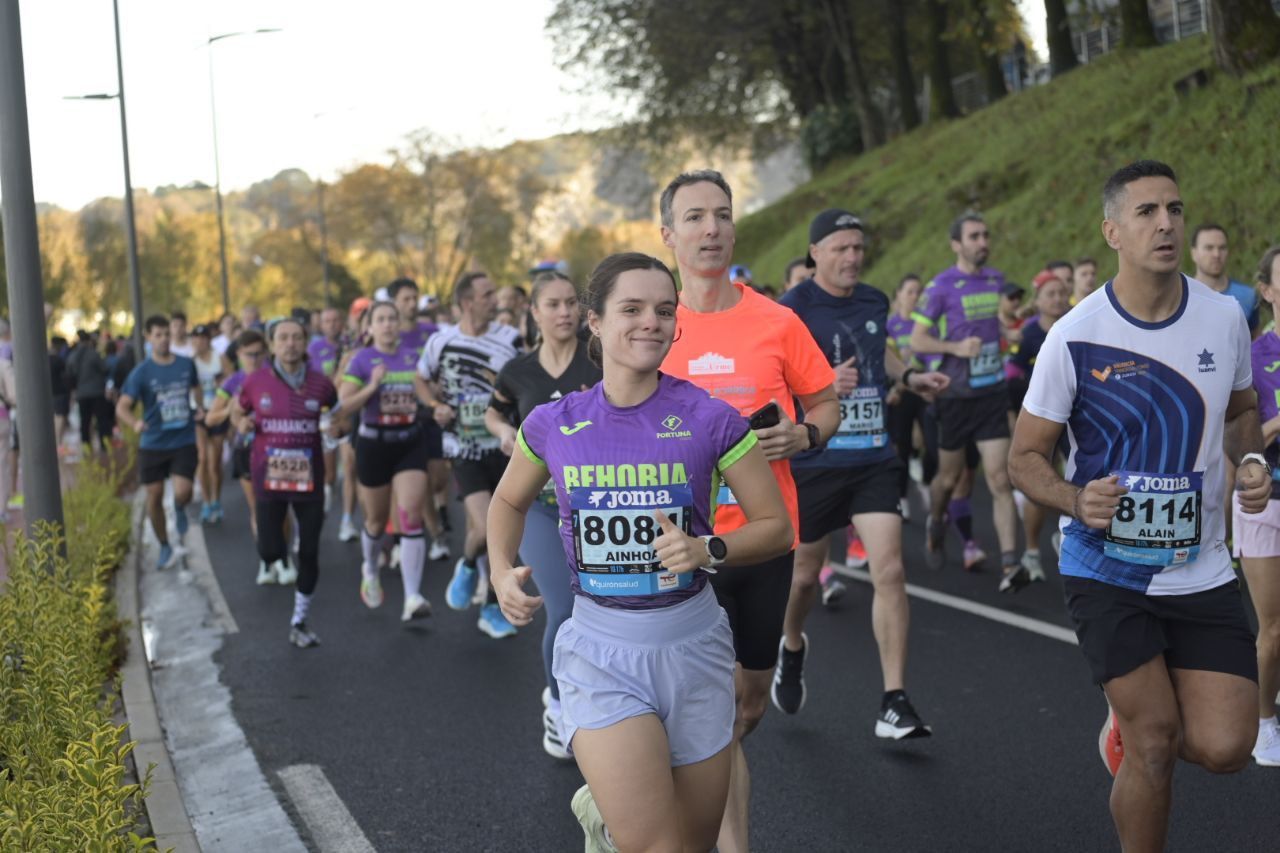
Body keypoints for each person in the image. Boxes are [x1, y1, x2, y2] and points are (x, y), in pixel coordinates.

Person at [487, 252, 792, 853]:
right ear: (594, 321)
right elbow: (506, 503)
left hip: (695, 647)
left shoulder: (711, 419)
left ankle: (609, 819)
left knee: (693, 843)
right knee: (657, 846)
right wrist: (501, 570)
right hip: (602, 650)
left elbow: (775, 526)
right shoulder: (555, 423)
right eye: (631, 309)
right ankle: (619, 821)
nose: (650, 322)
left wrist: (707, 548)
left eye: (663, 310)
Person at [1009, 160, 1264, 852]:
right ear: (1112, 231)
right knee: (1156, 742)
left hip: (1202, 565)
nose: (1166, 223)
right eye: (1148, 211)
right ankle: (1137, 729)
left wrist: (1252, 460)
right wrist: (1072, 496)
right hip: (1106, 565)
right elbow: (1024, 456)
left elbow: (1243, 411)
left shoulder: (1224, 318)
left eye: (1175, 209)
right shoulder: (1074, 336)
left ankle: (1124, 724)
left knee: (1226, 746)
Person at [657, 169, 839, 853]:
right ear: (669, 234)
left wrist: (806, 434)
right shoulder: (653, 323)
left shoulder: (777, 321)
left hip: (763, 542)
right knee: (707, 715)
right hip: (679, 548)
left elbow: (826, 402)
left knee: (744, 707)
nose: (711, 228)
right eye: (695, 217)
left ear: (734, 229)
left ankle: (683, 793)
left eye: (722, 215)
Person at [774, 209, 949, 739]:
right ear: (816, 253)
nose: (853, 256)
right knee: (804, 577)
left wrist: (912, 376)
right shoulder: (790, 311)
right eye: (841, 247)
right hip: (816, 458)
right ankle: (791, 643)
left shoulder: (874, 300)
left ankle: (893, 701)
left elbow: (884, 352)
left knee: (890, 571)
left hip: (873, 455)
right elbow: (775, 379)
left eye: (858, 247)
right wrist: (822, 385)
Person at [484, 269, 603, 760]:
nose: (564, 313)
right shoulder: (518, 371)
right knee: (565, 608)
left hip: (595, 505)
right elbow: (495, 411)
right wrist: (502, 433)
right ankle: (558, 705)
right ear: (533, 312)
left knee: (601, 608)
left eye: (571, 303)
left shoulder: (599, 363)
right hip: (539, 505)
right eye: (552, 304)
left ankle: (599, 699)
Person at [910, 212, 1025, 592]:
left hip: (991, 392)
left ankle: (1011, 563)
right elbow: (918, 341)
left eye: (985, 235)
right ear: (956, 244)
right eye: (974, 236)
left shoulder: (995, 281)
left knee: (999, 478)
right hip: (956, 398)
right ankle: (937, 520)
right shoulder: (940, 286)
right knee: (949, 478)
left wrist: (1009, 329)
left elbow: (996, 325)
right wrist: (955, 347)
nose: (983, 242)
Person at [417, 272, 523, 638]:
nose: (496, 299)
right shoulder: (441, 341)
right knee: (484, 526)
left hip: (506, 447)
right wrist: (434, 404)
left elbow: (526, 383)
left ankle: (479, 587)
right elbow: (420, 377)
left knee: (502, 533)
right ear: (466, 302)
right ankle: (478, 586)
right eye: (487, 294)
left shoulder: (511, 339)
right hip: (464, 448)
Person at [235, 318, 338, 648]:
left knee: (308, 552)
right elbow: (236, 413)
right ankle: (275, 556)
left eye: (296, 337)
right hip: (269, 480)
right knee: (270, 549)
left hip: (309, 482)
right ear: (272, 344)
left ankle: (300, 619)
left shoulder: (322, 384)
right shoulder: (255, 382)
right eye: (283, 338)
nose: (290, 343)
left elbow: (338, 417)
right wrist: (243, 423)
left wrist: (337, 429)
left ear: (305, 342)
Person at [339, 302, 434, 623]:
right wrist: (372, 386)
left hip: (409, 441)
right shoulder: (362, 359)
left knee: (410, 517)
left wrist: (435, 398)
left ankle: (412, 596)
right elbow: (345, 404)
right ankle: (369, 566)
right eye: (381, 319)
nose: (388, 324)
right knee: (377, 522)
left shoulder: (411, 356)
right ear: (370, 327)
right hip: (373, 444)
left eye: (392, 318)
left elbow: (426, 391)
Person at [1235, 244, 1280, 766]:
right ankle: (1264, 721)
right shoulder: (1254, 356)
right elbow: (1244, 439)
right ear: (1266, 291)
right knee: (1274, 626)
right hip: (1265, 501)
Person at [117, 315, 201, 571]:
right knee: (153, 497)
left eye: (167, 334)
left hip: (183, 440)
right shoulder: (141, 372)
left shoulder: (186, 364)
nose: (164, 339)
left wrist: (199, 407)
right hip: (153, 444)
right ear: (148, 338)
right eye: (158, 335)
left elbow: (195, 390)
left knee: (183, 491)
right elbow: (122, 406)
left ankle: (179, 506)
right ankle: (164, 544)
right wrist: (135, 424)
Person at [1004, 273, 1071, 581]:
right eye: (1050, 294)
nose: (1057, 298)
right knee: (1040, 479)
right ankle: (1032, 551)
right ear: (1039, 301)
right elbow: (1011, 374)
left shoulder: (1077, 324)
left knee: (1077, 476)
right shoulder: (1030, 334)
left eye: (1061, 293)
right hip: (1041, 418)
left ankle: (1071, 537)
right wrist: (1016, 414)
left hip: (1074, 417)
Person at [207, 330, 280, 584]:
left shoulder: (277, 375)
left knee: (282, 506)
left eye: (260, 353)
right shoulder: (233, 382)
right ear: (238, 354)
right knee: (258, 507)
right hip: (247, 449)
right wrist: (231, 409)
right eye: (249, 354)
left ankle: (284, 557)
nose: (255, 359)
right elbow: (210, 418)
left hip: (279, 448)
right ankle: (266, 560)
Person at [389, 278, 450, 560]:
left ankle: (425, 527)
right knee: (421, 479)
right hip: (402, 419)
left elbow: (446, 366)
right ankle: (434, 535)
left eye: (415, 298)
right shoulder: (387, 335)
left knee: (438, 480)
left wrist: (438, 385)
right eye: (406, 299)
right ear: (394, 303)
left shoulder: (432, 333)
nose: (412, 304)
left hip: (431, 414)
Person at [886, 273, 937, 516]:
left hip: (925, 390)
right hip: (901, 393)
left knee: (933, 446)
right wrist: (894, 388)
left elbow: (934, 356)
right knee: (902, 447)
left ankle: (926, 481)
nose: (915, 297)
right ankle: (902, 498)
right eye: (910, 292)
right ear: (899, 295)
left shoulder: (927, 325)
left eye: (919, 292)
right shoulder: (890, 325)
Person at [1190, 223, 1259, 335]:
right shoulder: (1180, 295)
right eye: (1209, 248)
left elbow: (1254, 345)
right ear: (1193, 253)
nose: (1216, 254)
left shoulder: (1248, 296)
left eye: (1222, 248)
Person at [192, 324, 229, 524]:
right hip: (198, 414)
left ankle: (216, 499)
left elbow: (232, 382)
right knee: (202, 458)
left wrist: (223, 388)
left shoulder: (219, 358)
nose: (199, 342)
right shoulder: (190, 363)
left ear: (208, 340)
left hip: (217, 412)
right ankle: (206, 502)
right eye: (195, 339)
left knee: (215, 462)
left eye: (203, 338)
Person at [67, 330, 112, 455]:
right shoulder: (94, 354)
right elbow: (105, 368)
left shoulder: (73, 355)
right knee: (101, 420)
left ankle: (86, 446)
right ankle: (104, 445)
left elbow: (70, 374)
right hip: (96, 392)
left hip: (81, 393)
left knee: (84, 421)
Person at [48, 337, 71, 452]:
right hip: (60, 392)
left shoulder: (44, 359)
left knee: (56, 416)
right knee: (59, 416)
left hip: (50, 392)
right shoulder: (59, 360)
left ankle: (57, 441)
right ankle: (58, 441)